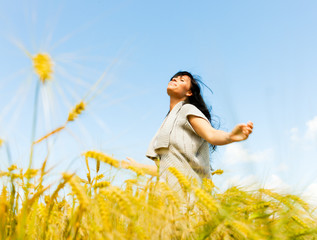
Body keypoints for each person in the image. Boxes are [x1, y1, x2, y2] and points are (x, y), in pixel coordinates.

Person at [122, 71, 253, 189]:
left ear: (189, 92)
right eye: (174, 78)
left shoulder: (187, 110)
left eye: (181, 80)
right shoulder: (167, 123)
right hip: (167, 199)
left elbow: (211, 134)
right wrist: (137, 167)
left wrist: (230, 136)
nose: (174, 79)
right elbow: (165, 170)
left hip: (190, 197)